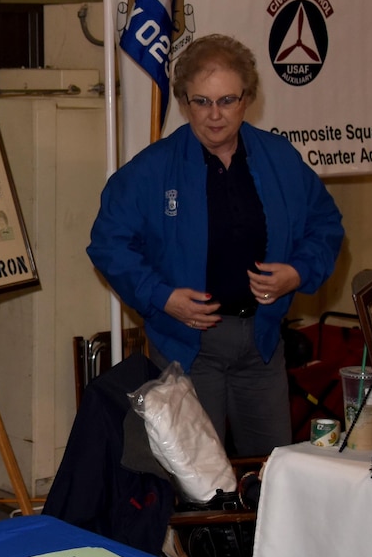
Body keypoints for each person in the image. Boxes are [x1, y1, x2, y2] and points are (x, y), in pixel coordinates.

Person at [87, 33, 344, 458]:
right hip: (187, 349)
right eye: (201, 102)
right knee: (198, 480)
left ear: (248, 99)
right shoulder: (152, 169)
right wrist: (162, 296)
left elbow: (326, 224)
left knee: (272, 470)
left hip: (262, 342)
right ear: (185, 102)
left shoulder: (278, 159)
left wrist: (297, 272)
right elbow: (108, 243)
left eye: (227, 100)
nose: (215, 115)